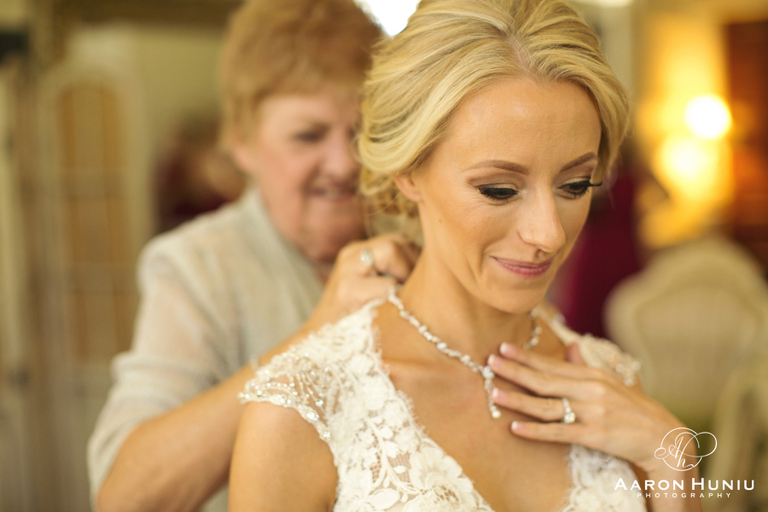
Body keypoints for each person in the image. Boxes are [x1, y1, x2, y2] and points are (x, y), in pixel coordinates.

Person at [230, 0, 703, 511]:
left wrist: (675, 465)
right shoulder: (301, 411)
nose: (548, 234)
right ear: (408, 171)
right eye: (499, 189)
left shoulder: (610, 381)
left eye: (575, 184)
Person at [86, 2, 421, 511]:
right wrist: (316, 335)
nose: (344, 164)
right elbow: (124, 497)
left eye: (362, 133)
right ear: (241, 141)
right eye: (308, 135)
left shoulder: (419, 239)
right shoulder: (199, 265)